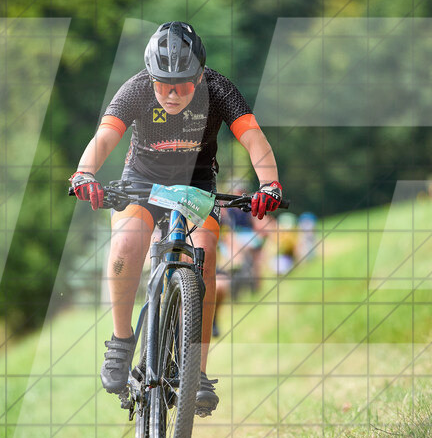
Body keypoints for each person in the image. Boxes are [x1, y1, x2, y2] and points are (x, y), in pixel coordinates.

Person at [70, 21, 283, 416]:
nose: (171, 93)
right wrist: (84, 173)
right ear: (151, 77)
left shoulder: (219, 90)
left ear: (199, 76)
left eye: (182, 84)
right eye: (162, 84)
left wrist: (269, 184)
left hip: (196, 184)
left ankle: (196, 371)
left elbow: (253, 138)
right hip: (141, 182)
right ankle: (121, 342)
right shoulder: (136, 88)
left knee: (205, 256)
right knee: (126, 243)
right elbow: (105, 136)